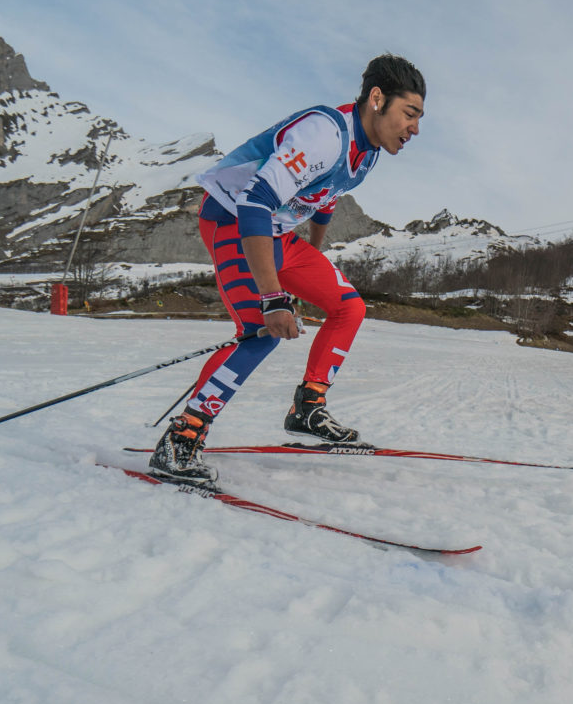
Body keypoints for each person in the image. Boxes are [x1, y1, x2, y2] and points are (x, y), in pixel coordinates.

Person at [149, 54, 426, 483]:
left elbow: (326, 198)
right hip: (232, 219)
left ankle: (307, 409)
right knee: (261, 332)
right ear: (377, 99)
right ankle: (182, 438)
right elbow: (254, 202)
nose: (415, 128)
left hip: (277, 233)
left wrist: (307, 265)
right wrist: (273, 295)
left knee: (348, 308)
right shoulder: (323, 134)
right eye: (410, 113)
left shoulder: (368, 153)